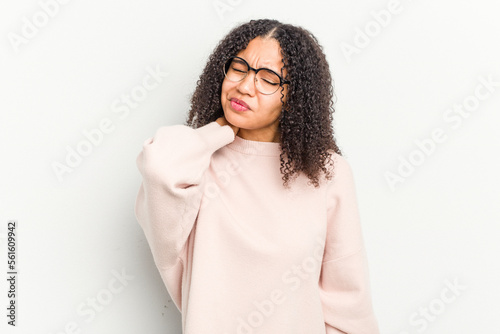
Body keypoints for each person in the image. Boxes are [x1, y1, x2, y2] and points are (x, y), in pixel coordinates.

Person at [134, 18, 380, 334]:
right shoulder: (195, 166)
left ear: (295, 96)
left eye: (268, 79)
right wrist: (218, 132)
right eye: (239, 68)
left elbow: (349, 307)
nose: (245, 86)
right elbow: (158, 170)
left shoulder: (328, 173)